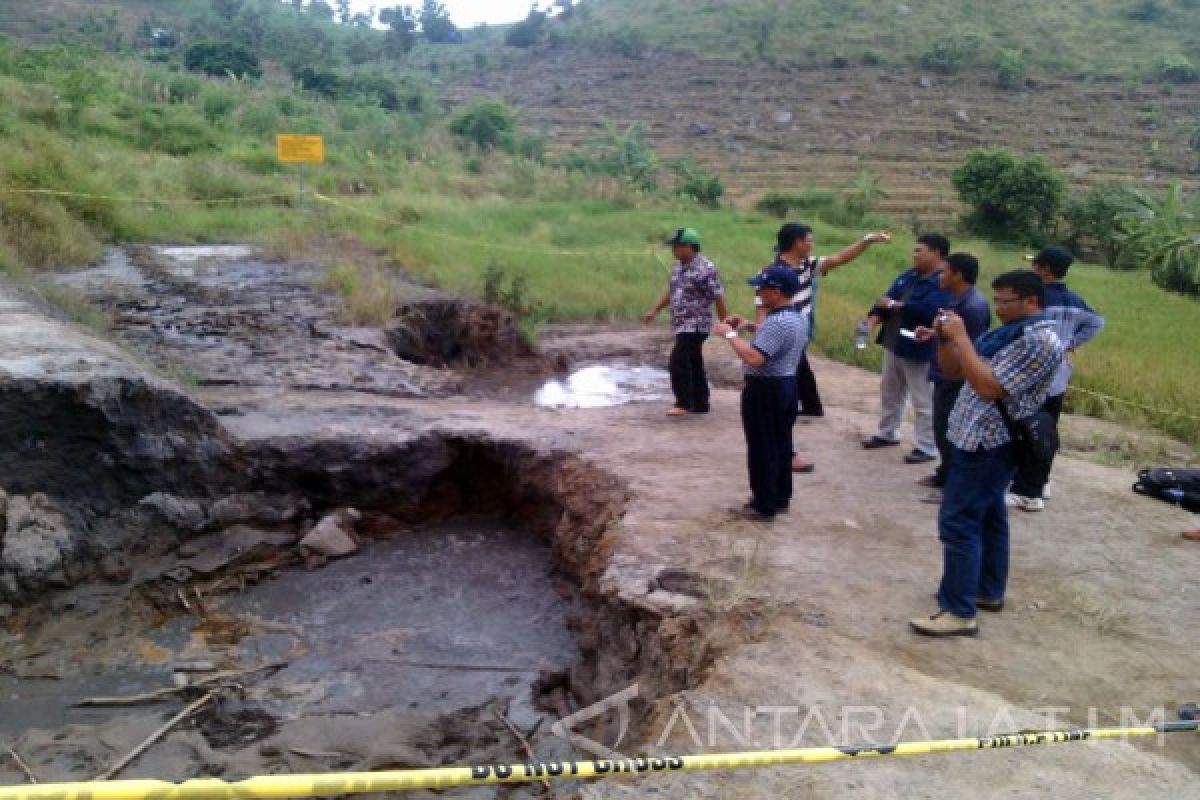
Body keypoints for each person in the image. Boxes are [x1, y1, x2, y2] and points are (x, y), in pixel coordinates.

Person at [910, 270, 1063, 636]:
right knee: (990, 516)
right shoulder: (1004, 335)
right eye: (996, 300)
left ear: (1031, 302)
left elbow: (987, 386)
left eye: (1005, 301)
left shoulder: (1040, 341)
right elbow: (952, 370)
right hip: (973, 437)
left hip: (992, 443)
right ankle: (985, 590)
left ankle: (958, 611)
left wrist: (962, 337)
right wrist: (946, 341)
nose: (998, 308)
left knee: (958, 521)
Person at [757, 223, 892, 471]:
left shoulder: (807, 266)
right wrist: (762, 343)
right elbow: (761, 311)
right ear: (797, 242)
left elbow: (841, 258)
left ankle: (783, 450)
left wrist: (867, 240)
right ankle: (786, 454)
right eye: (809, 239)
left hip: (797, 339)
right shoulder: (771, 273)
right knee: (783, 400)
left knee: (786, 398)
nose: (812, 243)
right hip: (783, 341)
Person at [1006, 245, 1105, 512]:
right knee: (1047, 429)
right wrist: (1071, 342)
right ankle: (1042, 480)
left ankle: (1027, 490)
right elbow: (1097, 322)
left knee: (1025, 429)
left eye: (1035, 264)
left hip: (1032, 374)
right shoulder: (1075, 300)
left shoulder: (1035, 300)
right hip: (1059, 374)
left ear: (1044, 269)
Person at [714, 266, 808, 521]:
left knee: (762, 447)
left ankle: (763, 504)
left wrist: (730, 334)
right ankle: (779, 498)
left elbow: (755, 358)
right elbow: (776, 340)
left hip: (765, 390)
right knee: (781, 444)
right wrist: (750, 327)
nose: (759, 292)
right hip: (786, 386)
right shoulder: (796, 317)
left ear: (776, 292)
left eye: (763, 288)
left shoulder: (777, 322)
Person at [861, 234, 952, 464]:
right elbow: (884, 300)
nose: (914, 255)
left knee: (923, 399)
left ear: (936, 253)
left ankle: (927, 446)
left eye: (919, 250)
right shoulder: (909, 276)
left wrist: (894, 305)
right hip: (894, 343)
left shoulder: (943, 281)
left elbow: (931, 310)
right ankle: (887, 433)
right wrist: (871, 321)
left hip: (920, 348)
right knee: (890, 392)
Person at [914, 253, 991, 504]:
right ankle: (944, 474)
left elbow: (968, 345)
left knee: (951, 431)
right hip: (944, 372)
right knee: (941, 428)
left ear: (958, 274)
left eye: (944, 271)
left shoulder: (972, 307)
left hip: (956, 378)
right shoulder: (957, 300)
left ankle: (954, 486)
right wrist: (934, 333)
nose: (940, 276)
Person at [644, 227, 728, 416]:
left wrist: (725, 323)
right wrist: (655, 310)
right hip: (681, 323)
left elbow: (718, 296)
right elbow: (673, 291)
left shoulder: (705, 269)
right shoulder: (679, 267)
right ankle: (700, 403)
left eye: (677, 247)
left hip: (696, 324)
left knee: (679, 360)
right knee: (693, 361)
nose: (674, 251)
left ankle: (683, 402)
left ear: (690, 247)